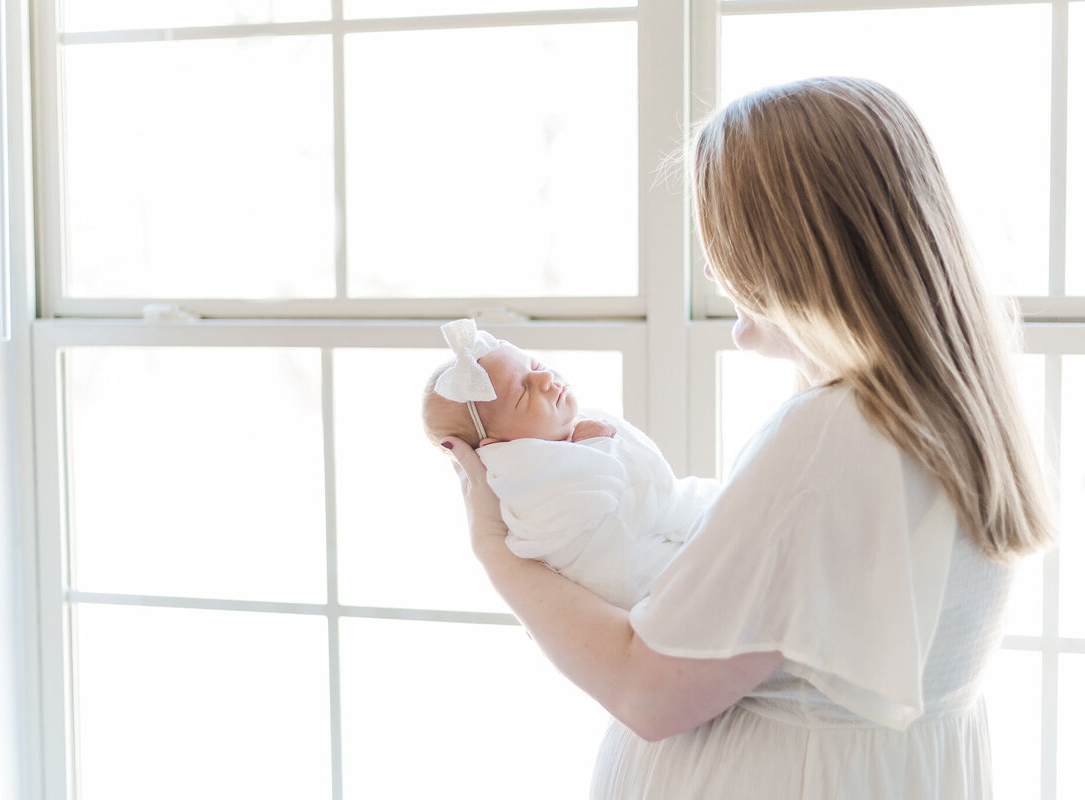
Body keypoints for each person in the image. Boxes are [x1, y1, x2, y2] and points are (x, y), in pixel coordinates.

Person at [441, 76, 1054, 798]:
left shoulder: (832, 437)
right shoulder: (944, 412)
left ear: (789, 247)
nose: (709, 268)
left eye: (722, 238)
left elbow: (649, 692)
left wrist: (495, 555)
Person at [423, 318, 721, 609]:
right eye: (523, 393)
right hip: (643, 584)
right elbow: (639, 502)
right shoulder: (531, 486)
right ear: (498, 447)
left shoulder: (563, 444)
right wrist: (599, 445)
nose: (545, 379)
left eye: (535, 366)